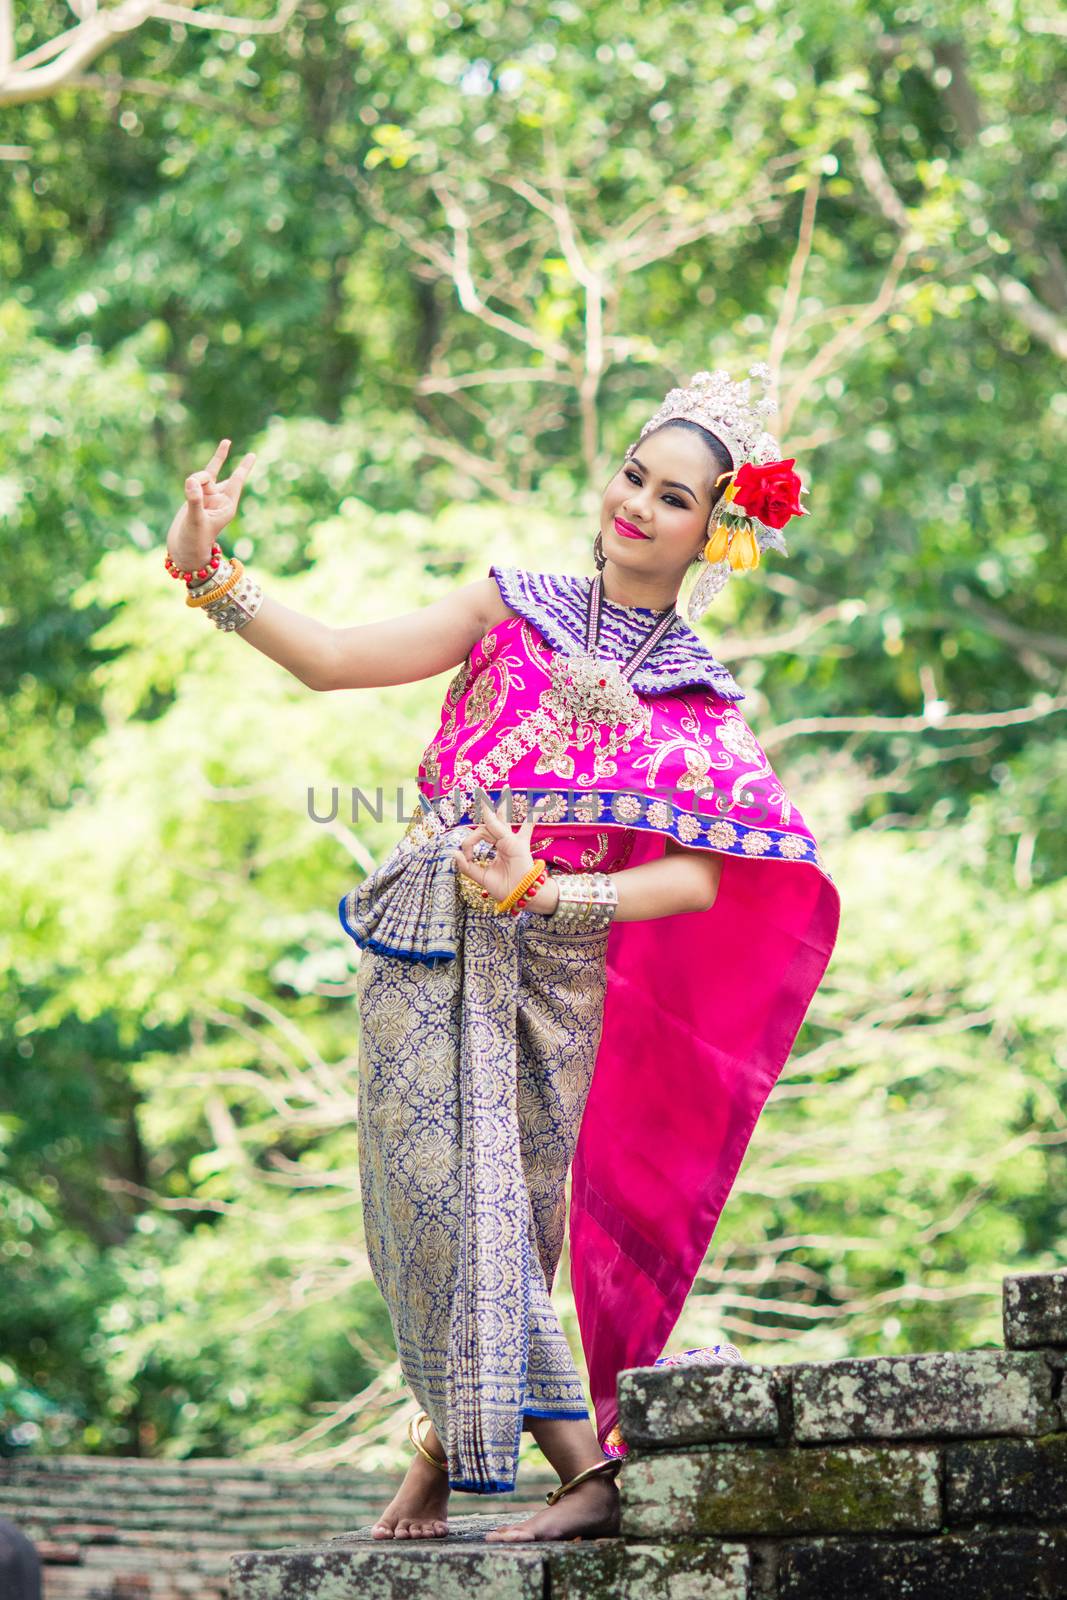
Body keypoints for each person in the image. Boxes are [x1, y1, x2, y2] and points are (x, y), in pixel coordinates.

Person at [164, 365, 840, 1544]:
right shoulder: (508, 600)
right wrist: (210, 569)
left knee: (500, 1224)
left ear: (713, 532)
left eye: (673, 497)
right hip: (426, 932)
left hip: (552, 972)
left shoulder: (691, 698)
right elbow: (332, 657)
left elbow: (701, 877)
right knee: (425, 1209)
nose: (635, 504)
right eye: (633, 473)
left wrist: (551, 889)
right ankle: (558, 1462)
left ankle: (546, 1470)